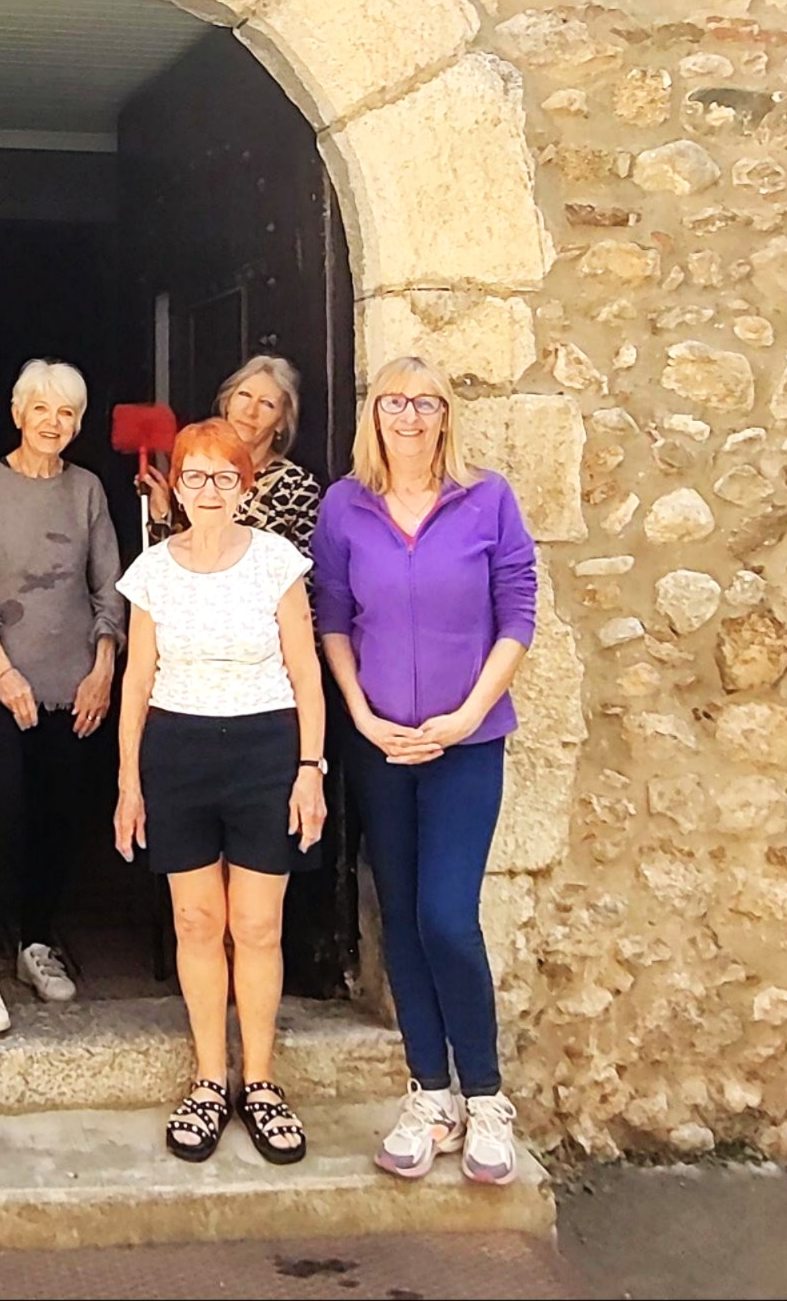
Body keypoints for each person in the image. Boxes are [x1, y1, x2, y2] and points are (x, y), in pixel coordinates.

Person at [312, 356, 536, 1187]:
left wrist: (471, 713)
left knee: (446, 915)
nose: (408, 417)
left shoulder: (488, 500)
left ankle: (485, 1099)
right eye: (393, 402)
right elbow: (331, 615)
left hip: (465, 745)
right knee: (399, 918)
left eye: (424, 403)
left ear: (445, 416)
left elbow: (517, 612)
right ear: (372, 415)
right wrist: (360, 716)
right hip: (381, 745)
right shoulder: (344, 506)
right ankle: (429, 1094)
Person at [114, 417, 328, 1166]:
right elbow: (135, 683)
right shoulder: (151, 570)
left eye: (224, 477)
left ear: (245, 486)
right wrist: (126, 784)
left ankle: (260, 1084)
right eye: (195, 477)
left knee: (259, 925)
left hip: (265, 752)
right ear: (174, 484)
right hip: (177, 752)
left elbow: (306, 673)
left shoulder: (276, 561)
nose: (208, 491)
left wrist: (311, 769)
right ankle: (210, 1081)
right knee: (198, 921)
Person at [0, 357, 125, 1038]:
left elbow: (110, 586)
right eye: (41, 409)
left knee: (58, 813)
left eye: (67, 413)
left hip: (74, 679)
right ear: (18, 412)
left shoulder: (85, 490)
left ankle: (34, 945)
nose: (53, 423)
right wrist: (2, 672)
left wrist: (103, 666)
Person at [141, 354, 324, 551]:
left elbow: (308, 571)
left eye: (267, 404)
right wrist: (162, 514)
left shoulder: (297, 485)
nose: (250, 411)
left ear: (281, 423)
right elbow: (170, 565)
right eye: (244, 395)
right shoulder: (197, 472)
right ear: (227, 404)